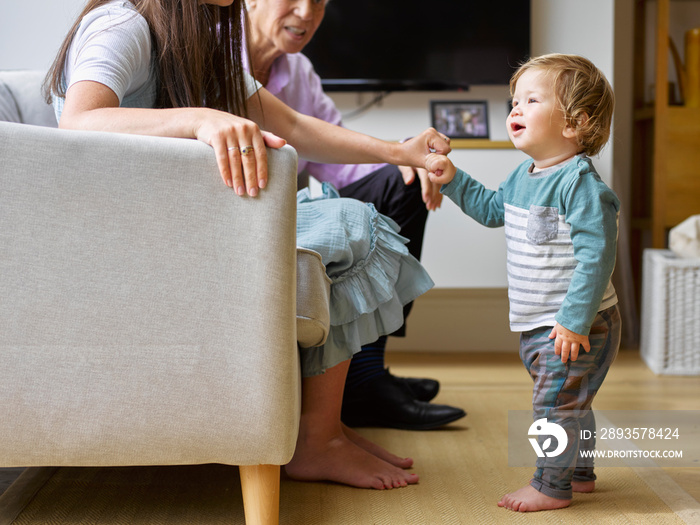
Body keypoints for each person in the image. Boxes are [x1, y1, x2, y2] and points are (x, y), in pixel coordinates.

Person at [45, 0, 451, 490]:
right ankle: (317, 442)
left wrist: (395, 152)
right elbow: (80, 120)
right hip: (132, 244)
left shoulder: (203, 46)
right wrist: (201, 119)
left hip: (182, 230)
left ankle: (323, 432)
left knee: (352, 228)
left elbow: (295, 127)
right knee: (349, 225)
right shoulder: (123, 23)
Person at [243, 0, 466, 430]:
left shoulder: (299, 72)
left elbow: (341, 164)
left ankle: (367, 372)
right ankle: (365, 382)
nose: (307, 13)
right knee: (382, 186)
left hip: (289, 213)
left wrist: (401, 158)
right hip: (242, 213)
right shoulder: (208, 52)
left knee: (400, 182)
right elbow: (293, 129)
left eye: (321, 3)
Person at [424, 54, 621, 511]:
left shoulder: (581, 186)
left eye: (531, 100)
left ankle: (551, 486)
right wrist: (453, 180)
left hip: (575, 325)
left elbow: (598, 258)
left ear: (575, 124)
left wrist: (573, 321)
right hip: (542, 322)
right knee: (571, 400)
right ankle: (580, 474)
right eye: (514, 100)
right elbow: (493, 210)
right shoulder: (524, 176)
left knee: (553, 404)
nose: (515, 109)